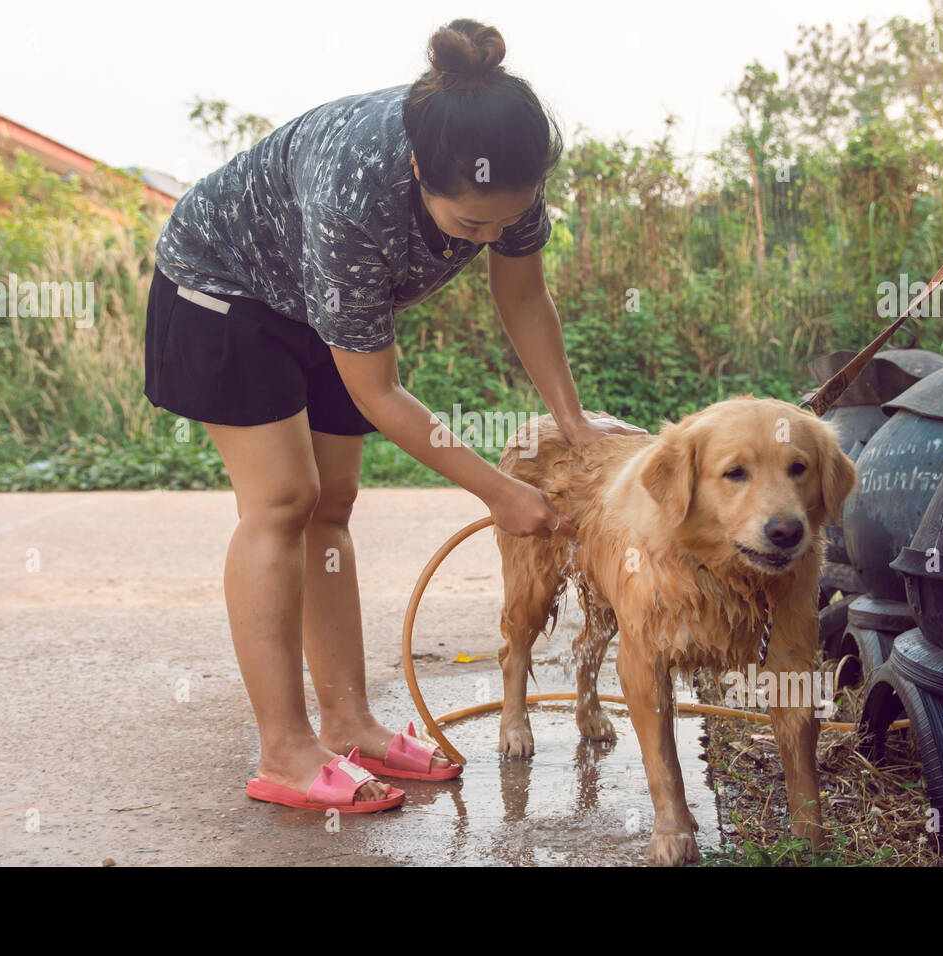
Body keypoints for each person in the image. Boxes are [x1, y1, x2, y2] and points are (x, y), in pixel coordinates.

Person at [144, 17, 646, 812]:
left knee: (333, 505)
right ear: (419, 172)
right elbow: (378, 392)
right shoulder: (357, 194)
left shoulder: (508, 168)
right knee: (283, 500)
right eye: (469, 225)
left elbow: (522, 294)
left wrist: (574, 419)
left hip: (319, 302)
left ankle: (348, 724)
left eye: (503, 223)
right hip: (224, 287)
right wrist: (498, 492)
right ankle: (284, 752)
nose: (488, 238)